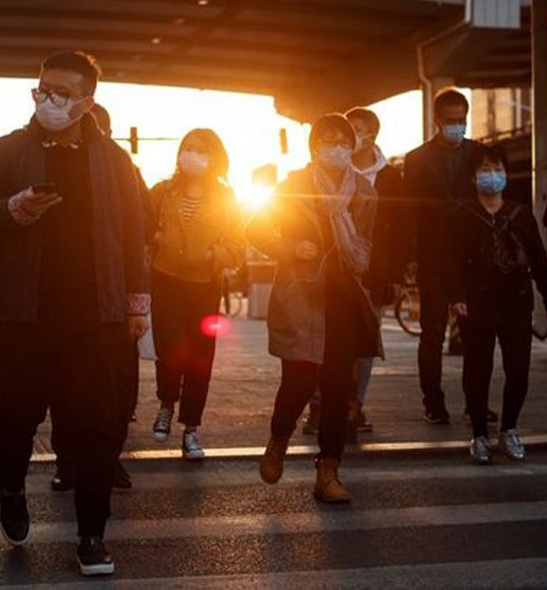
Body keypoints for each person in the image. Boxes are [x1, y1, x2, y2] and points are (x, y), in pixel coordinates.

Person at [0, 50, 149, 577]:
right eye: (42, 89)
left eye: (61, 93)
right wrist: (15, 207)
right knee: (16, 419)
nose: (48, 99)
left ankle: (92, 534)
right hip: (25, 313)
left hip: (96, 318)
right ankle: (12, 487)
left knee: (96, 426)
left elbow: (134, 233)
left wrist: (138, 304)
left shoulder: (114, 161)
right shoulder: (7, 149)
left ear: (87, 102)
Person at [248, 113, 379, 504]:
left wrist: (363, 258)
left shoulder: (365, 192)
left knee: (340, 391)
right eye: (329, 140)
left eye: (344, 140)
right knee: (299, 383)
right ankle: (278, 440)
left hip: (345, 299)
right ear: (315, 146)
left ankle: (328, 473)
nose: (337, 147)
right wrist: (290, 248)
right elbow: (255, 229)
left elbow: (370, 243)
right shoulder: (293, 187)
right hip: (302, 297)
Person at [49, 102, 145, 492]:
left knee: (120, 390)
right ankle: (68, 462)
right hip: (64, 298)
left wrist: (137, 303)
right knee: (64, 389)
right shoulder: (52, 165)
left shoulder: (122, 167)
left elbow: (142, 229)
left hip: (115, 300)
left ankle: (109, 459)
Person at [449, 146, 547, 464]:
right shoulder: (462, 215)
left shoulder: (520, 214)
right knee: (478, 370)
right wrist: (457, 297)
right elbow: (451, 262)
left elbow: (538, 259)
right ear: (473, 175)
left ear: (506, 174)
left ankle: (509, 429)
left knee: (519, 370)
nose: (491, 174)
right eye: (484, 168)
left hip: (516, 302)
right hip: (477, 303)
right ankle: (479, 434)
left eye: (497, 168)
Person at [301, 108, 405, 436]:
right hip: (322, 274)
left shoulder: (385, 179)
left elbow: (395, 229)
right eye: (345, 132)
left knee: (361, 345)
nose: (345, 142)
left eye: (355, 133)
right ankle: (320, 404)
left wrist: (394, 273)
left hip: (368, 272)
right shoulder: (311, 179)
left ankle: (353, 406)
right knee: (321, 342)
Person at [148, 128, 245, 459]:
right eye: (186, 147)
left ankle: (191, 428)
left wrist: (212, 257)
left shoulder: (225, 198)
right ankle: (166, 405)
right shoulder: (161, 191)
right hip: (165, 280)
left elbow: (236, 244)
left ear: (213, 157)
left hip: (204, 286)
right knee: (170, 349)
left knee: (200, 358)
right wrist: (156, 243)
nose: (191, 154)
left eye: (200, 149)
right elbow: (141, 230)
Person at [403, 88, 485, 425]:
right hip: (434, 257)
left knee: (477, 335)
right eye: (450, 121)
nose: (457, 126)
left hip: (472, 257)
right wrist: (410, 257)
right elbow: (410, 212)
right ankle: (433, 402)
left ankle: (476, 403)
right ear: (436, 121)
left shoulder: (480, 153)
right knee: (432, 334)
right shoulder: (417, 159)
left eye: (461, 120)